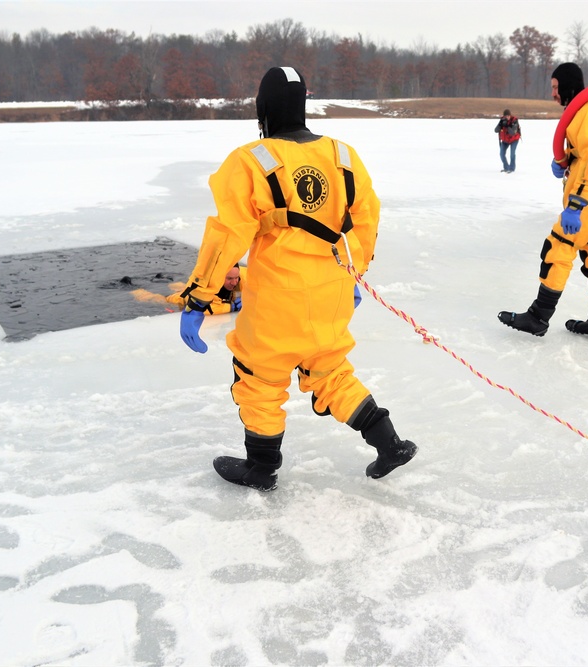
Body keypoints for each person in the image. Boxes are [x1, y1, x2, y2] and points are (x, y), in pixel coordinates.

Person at [172, 65, 417, 491]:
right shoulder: (343, 156)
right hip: (333, 291)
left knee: (258, 375)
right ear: (303, 103)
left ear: (262, 108)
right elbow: (367, 221)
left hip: (277, 299)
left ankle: (261, 467)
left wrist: (198, 298)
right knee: (330, 369)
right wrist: (352, 275)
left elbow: (227, 236)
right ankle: (388, 442)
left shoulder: (250, 161)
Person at [497, 62, 588, 340]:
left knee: (559, 245)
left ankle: (538, 317)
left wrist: (576, 205)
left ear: (568, 85)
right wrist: (567, 159)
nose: (554, 94)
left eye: (556, 88)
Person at [494, 109, 521, 173]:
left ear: (510, 115)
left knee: (512, 154)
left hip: (514, 139)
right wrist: (500, 124)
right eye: (506, 116)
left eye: (508, 116)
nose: (507, 117)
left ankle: (511, 168)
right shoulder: (502, 120)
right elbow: (495, 130)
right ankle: (506, 167)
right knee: (501, 154)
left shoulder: (514, 121)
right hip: (505, 140)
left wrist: (507, 126)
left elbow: (513, 133)